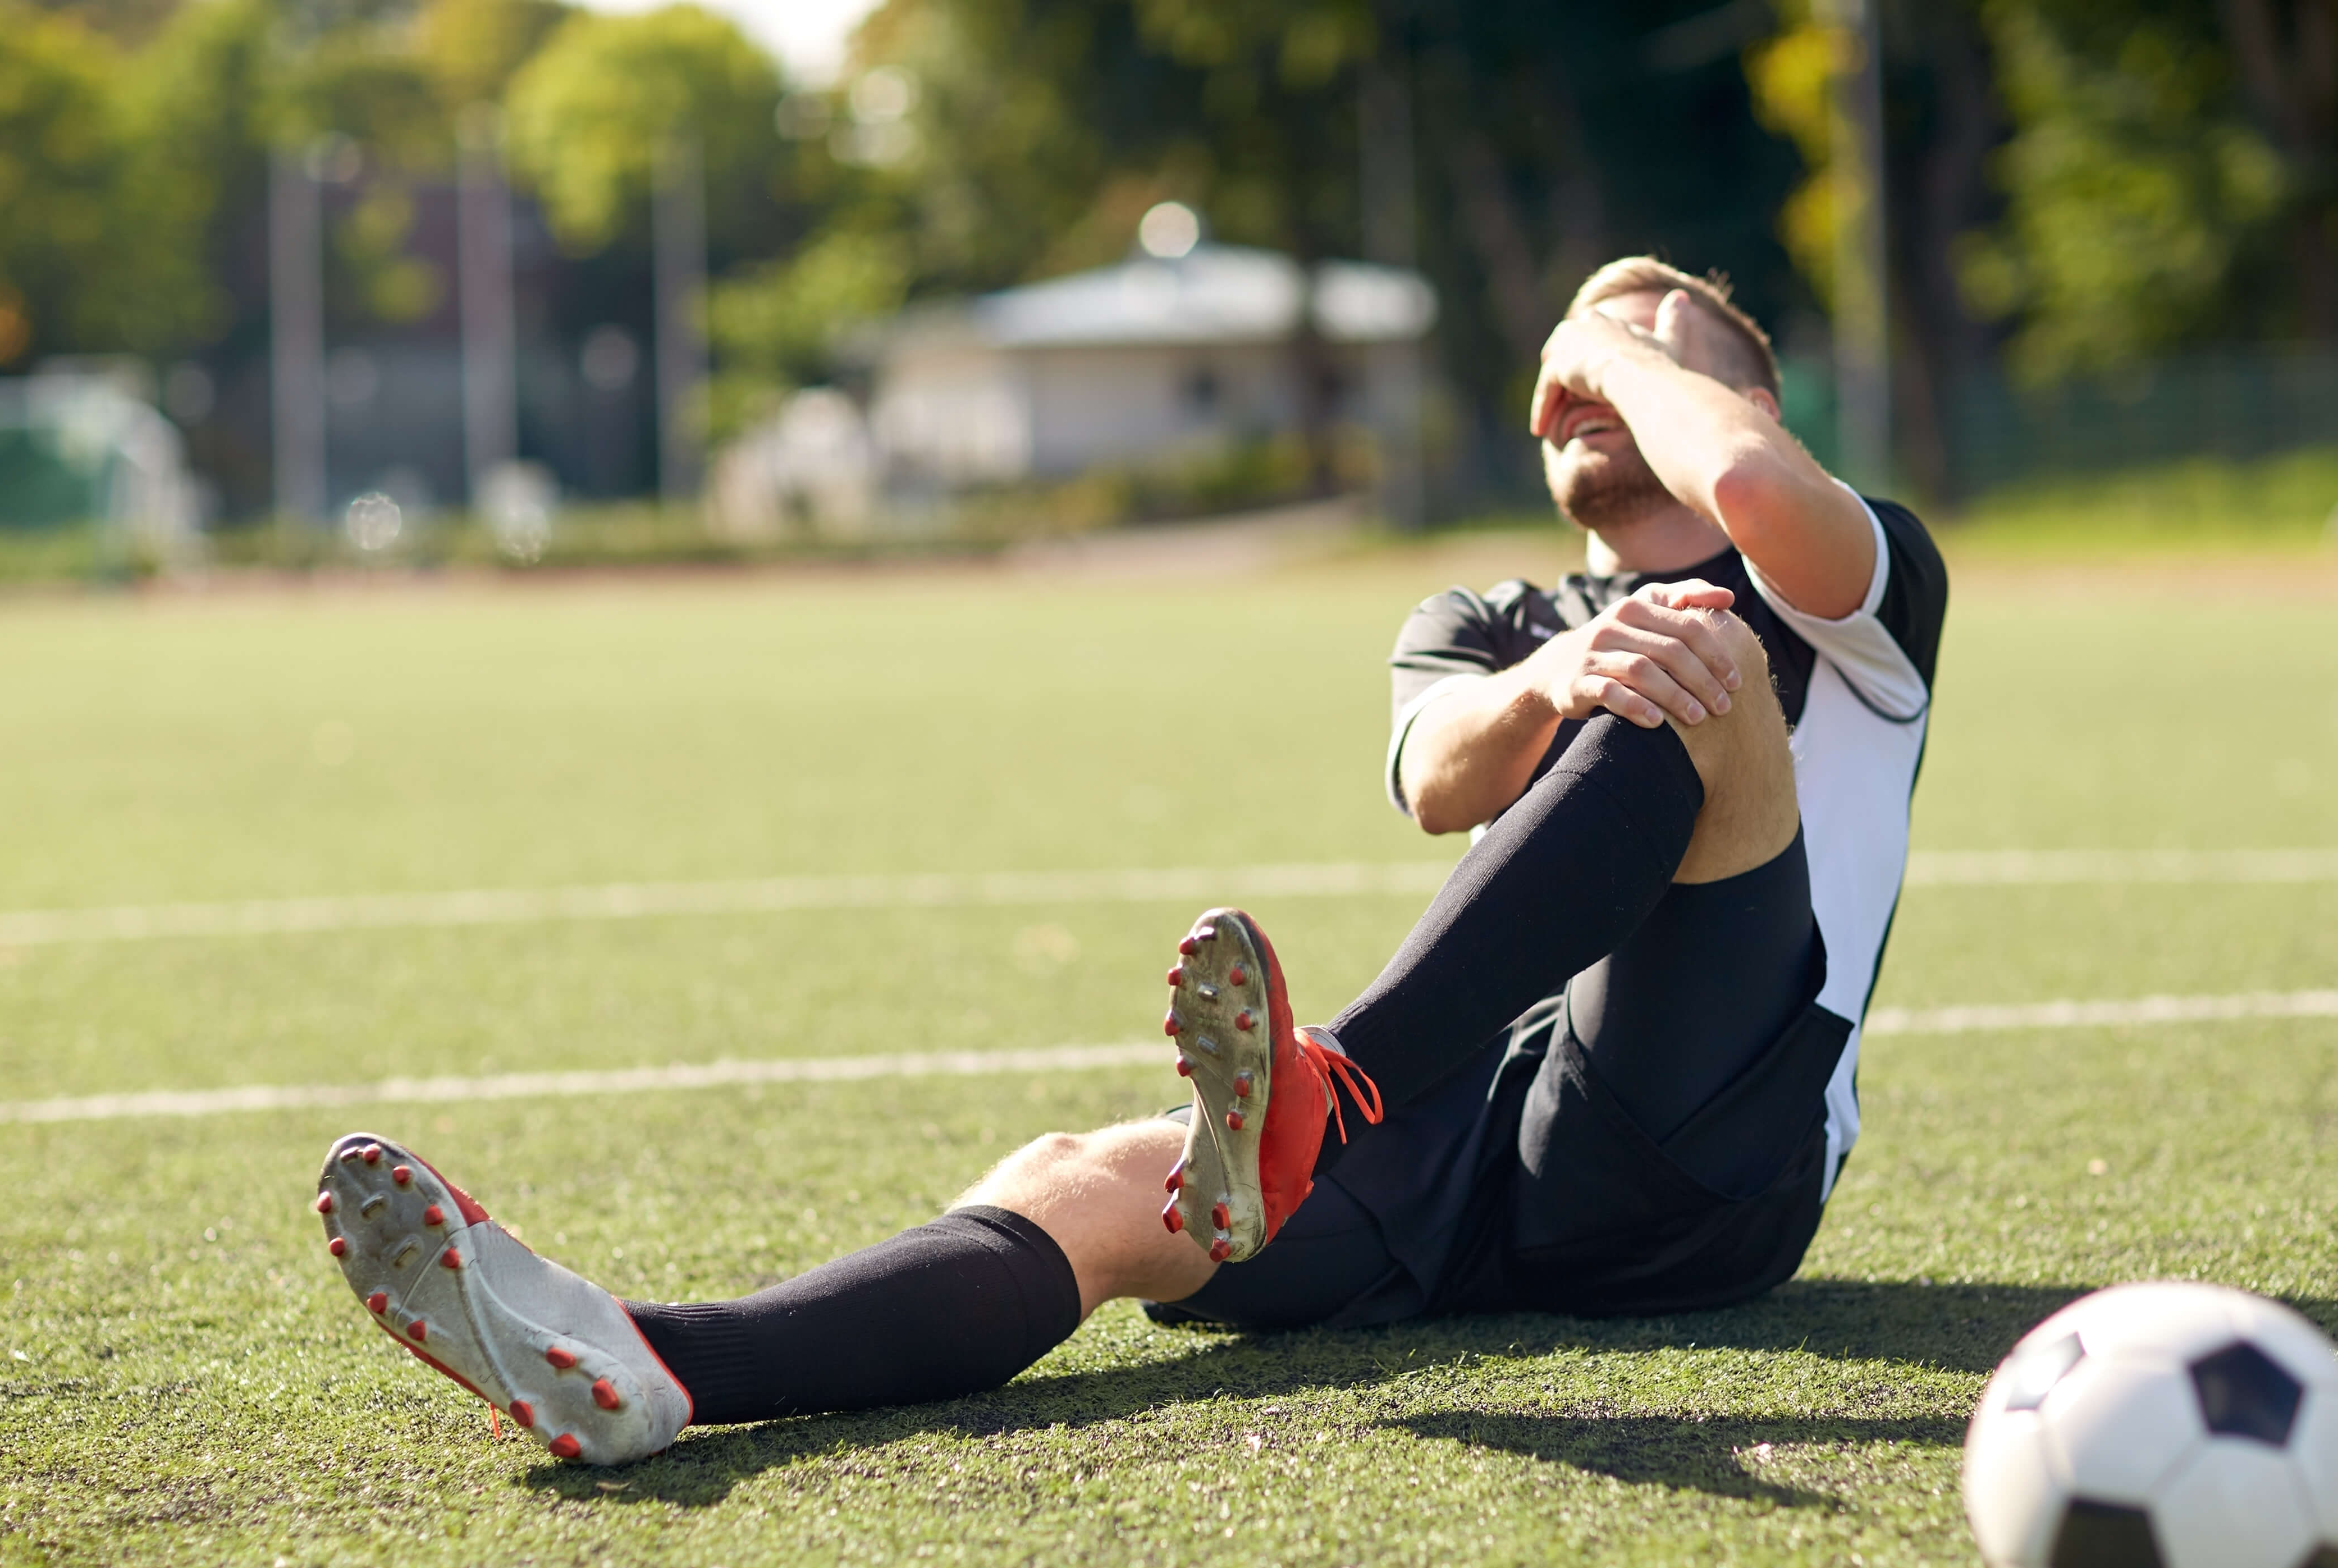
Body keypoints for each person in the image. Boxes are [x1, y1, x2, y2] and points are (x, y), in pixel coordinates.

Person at [305, 256, 1948, 1466]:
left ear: (1749, 396)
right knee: (1091, 1175)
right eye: (1569, 368)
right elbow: (1445, 782)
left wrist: (1610, 335)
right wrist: (1551, 672)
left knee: (1695, 656)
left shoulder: (1853, 585)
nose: (1589, 379)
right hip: (1481, 1146)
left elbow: (1737, 478)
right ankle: (651, 1361)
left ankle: (1329, 1089)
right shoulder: (1477, 623)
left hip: (1716, 1155)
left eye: (1642, 355)